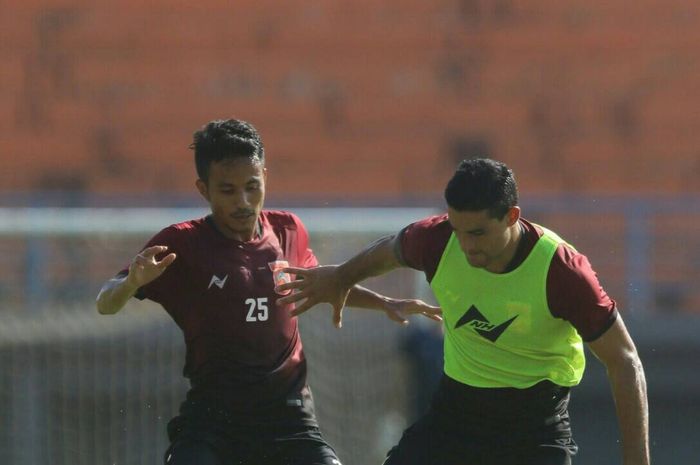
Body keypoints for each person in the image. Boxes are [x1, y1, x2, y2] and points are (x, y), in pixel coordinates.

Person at [95, 118, 440, 465]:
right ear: (204, 190)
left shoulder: (289, 230)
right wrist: (132, 282)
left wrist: (384, 303)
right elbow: (105, 305)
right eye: (228, 190)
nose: (243, 201)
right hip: (213, 421)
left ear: (265, 178)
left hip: (288, 418)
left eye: (252, 186)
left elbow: (322, 284)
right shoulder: (181, 244)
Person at [277, 158, 650, 465]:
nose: (467, 246)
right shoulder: (437, 239)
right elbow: (388, 251)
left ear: (511, 216)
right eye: (458, 230)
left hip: (535, 427)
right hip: (456, 415)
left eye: (478, 233)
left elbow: (624, 359)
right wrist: (342, 277)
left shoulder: (563, 272)